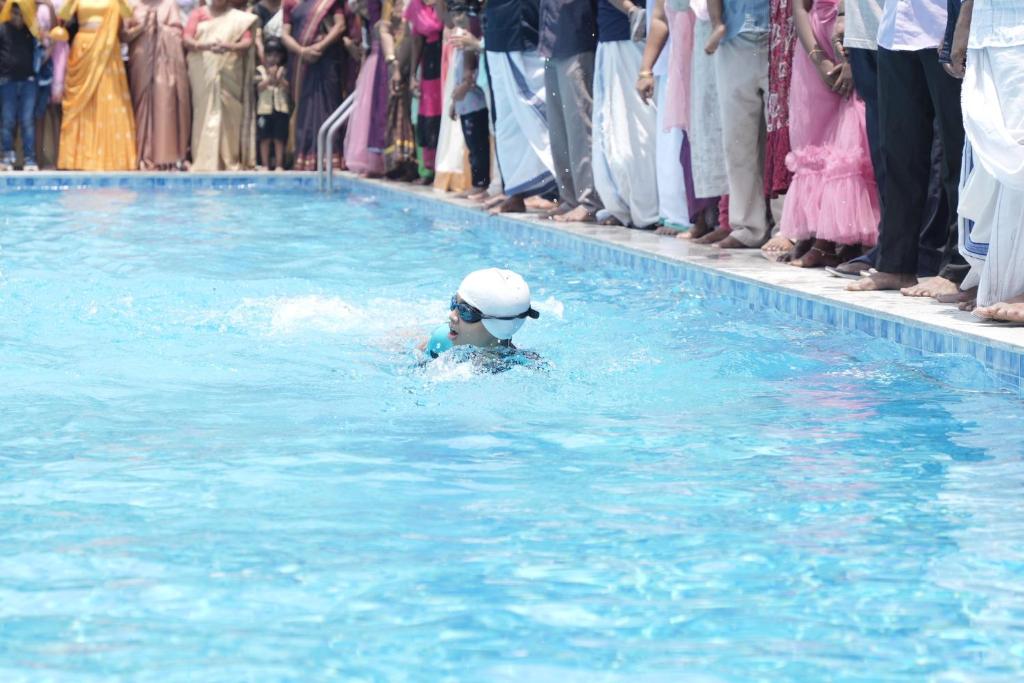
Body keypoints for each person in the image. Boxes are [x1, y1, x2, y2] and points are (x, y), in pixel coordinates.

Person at [846, 0, 968, 296]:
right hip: (895, 32)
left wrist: (960, 28)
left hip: (944, 28)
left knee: (957, 154)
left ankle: (959, 267)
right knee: (898, 155)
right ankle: (895, 264)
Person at [776, 0, 878, 266]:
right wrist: (817, 59)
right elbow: (799, 8)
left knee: (850, 143)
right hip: (815, 43)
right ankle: (815, 237)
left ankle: (844, 241)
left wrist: (851, 58)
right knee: (814, 140)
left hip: (853, 38)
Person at [950, 0, 1024, 322]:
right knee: (992, 162)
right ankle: (1002, 278)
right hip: (989, 29)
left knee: (1017, 151)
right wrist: (966, 18)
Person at [483, 0, 558, 213]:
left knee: (540, 114)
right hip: (497, 32)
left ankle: (558, 191)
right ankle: (516, 192)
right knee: (507, 123)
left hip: (525, 32)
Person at [591, 0, 660, 229]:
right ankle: (626, 207)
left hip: (631, 36)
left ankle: (646, 209)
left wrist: (630, 10)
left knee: (636, 130)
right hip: (625, 33)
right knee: (619, 131)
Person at [538, 0, 603, 223]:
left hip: (577, 40)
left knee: (580, 130)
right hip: (551, 42)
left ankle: (590, 200)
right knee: (559, 130)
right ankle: (570, 197)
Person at [57, 0, 137, 170]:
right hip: (83, 47)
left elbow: (129, 17)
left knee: (109, 98)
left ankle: (111, 158)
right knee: (81, 103)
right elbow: (62, 17)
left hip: (108, 49)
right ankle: (76, 158)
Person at [184, 0, 258, 171]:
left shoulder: (239, 19)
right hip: (203, 71)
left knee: (229, 113)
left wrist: (228, 47)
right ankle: (204, 160)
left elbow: (246, 42)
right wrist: (203, 46)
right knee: (203, 112)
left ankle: (228, 159)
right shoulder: (198, 13)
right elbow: (186, 37)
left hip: (229, 71)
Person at [280, 0, 347, 171]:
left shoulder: (329, 2)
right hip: (301, 63)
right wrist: (302, 51)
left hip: (326, 59)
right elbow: (285, 34)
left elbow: (339, 26)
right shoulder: (290, 2)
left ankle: (330, 158)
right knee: (304, 110)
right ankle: (304, 157)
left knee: (327, 107)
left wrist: (319, 46)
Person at [126, 0, 191, 171]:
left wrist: (160, 28)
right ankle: (140, 155)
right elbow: (123, 36)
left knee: (165, 103)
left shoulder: (169, 5)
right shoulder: (131, 4)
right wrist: (142, 28)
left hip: (165, 62)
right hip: (140, 59)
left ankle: (165, 156)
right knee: (140, 105)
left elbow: (178, 34)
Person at [421, 268, 541, 358]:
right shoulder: (441, 341)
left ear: (498, 327)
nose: (452, 316)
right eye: (454, 303)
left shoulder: (524, 366)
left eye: (465, 311)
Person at [403, 0, 443, 184]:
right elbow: (416, 41)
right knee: (428, 115)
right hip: (429, 62)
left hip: (447, 55)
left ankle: (444, 169)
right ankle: (429, 169)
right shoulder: (415, 6)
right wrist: (412, 74)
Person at [0, 0, 41, 170]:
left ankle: (30, 160)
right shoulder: (2, 29)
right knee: (8, 120)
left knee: (27, 121)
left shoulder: (30, 31)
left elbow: (40, 53)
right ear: (10, 13)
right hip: (7, 80)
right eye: (15, 13)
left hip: (28, 81)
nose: (17, 17)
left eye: (21, 14)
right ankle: (7, 158)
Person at [255, 35, 289, 170]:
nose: (273, 58)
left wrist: (280, 79)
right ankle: (265, 164)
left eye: (276, 55)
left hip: (280, 108)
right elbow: (258, 88)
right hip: (264, 109)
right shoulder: (260, 70)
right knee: (264, 138)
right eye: (270, 55)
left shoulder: (284, 71)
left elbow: (288, 88)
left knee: (279, 138)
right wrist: (270, 77)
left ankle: (279, 164)